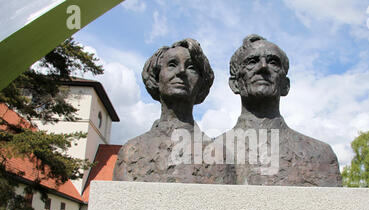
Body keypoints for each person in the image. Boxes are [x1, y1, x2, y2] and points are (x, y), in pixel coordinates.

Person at [222, 34, 342, 186]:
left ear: (286, 85)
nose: (263, 67)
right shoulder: (212, 154)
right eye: (252, 62)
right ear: (235, 84)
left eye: (273, 62)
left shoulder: (320, 155)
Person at [113, 38, 234, 184]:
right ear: (156, 78)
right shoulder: (130, 153)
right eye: (172, 65)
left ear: (201, 84)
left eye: (191, 67)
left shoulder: (219, 156)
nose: (181, 71)